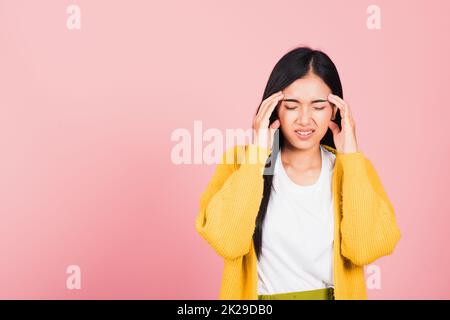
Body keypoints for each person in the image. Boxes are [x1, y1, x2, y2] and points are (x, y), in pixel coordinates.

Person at [195, 46, 401, 300]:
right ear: (274, 109)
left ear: (335, 111)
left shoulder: (354, 169)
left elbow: (364, 250)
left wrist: (351, 157)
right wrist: (258, 155)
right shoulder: (242, 163)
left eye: (318, 106)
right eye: (292, 106)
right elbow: (227, 242)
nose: (305, 119)